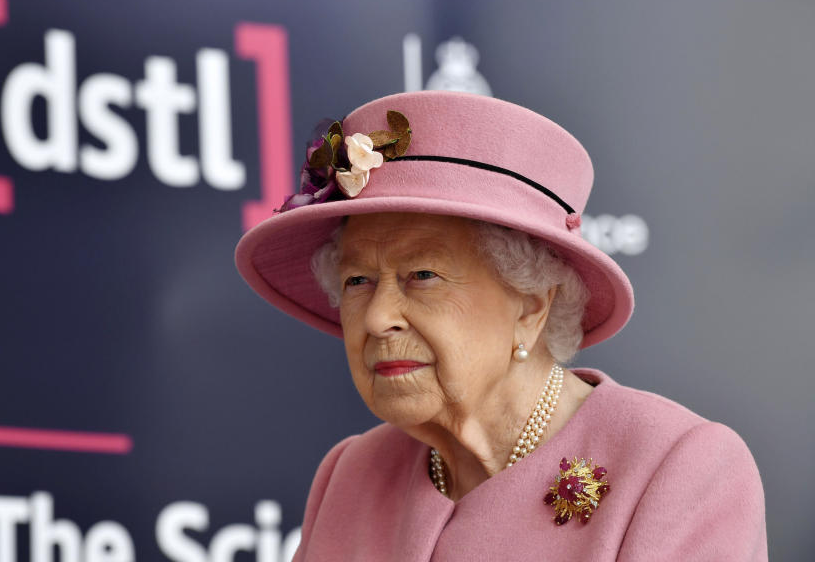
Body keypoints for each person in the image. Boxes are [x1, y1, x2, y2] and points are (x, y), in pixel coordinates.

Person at [234, 91, 767, 560]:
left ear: (532, 304)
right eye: (357, 281)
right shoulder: (349, 475)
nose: (376, 318)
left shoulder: (677, 470)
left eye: (423, 275)